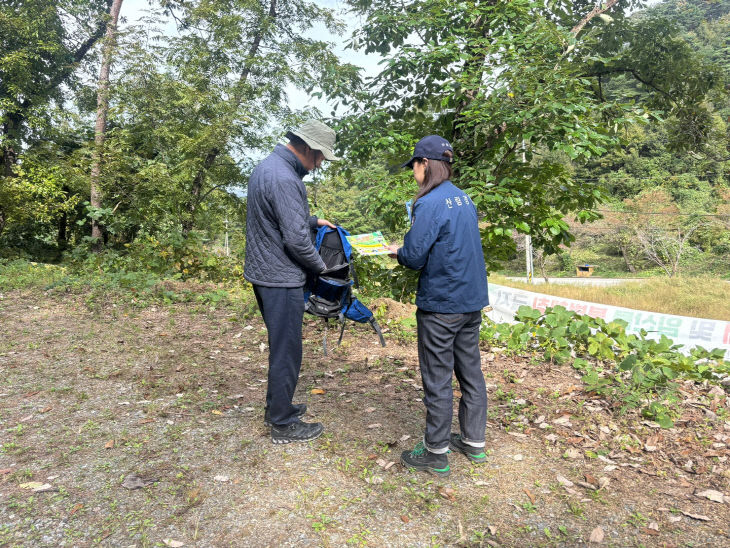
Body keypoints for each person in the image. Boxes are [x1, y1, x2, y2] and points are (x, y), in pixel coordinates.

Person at [387, 135, 490, 476]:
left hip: (441, 305)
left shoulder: (429, 202)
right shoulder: (464, 198)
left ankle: (436, 451)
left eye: (414, 165)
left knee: (438, 377)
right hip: (470, 301)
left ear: (425, 163)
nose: (413, 172)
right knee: (470, 372)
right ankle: (474, 442)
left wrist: (396, 251)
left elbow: (415, 257)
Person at [244, 120, 339, 444]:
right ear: (310, 149)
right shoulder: (286, 178)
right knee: (287, 351)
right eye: (321, 157)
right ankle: (282, 424)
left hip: (264, 272)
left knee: (282, 346)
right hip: (280, 277)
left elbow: (277, 216)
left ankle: (278, 408)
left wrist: (313, 220)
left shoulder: (267, 168)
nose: (320, 164)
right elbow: (297, 242)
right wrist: (322, 269)